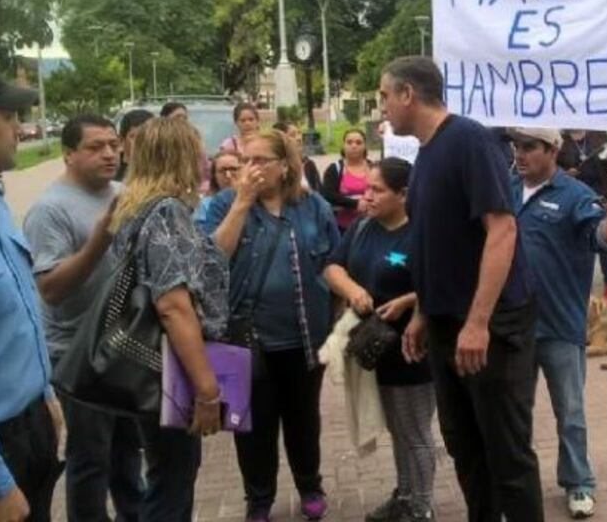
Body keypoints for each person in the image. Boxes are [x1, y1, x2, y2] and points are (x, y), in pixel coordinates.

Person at [378, 56, 543, 521]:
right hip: (447, 325)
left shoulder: (470, 140)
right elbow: (441, 247)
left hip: (490, 327)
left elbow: (503, 230)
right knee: (466, 449)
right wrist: (425, 313)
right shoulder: (428, 153)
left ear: (408, 93)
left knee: (507, 454)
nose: (382, 107)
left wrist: (478, 322)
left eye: (385, 95)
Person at [201, 130, 340, 522]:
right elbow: (212, 262)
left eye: (261, 160)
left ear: (285, 165)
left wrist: (337, 324)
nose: (251, 168)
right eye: (246, 160)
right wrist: (242, 203)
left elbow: (332, 262)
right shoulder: (224, 204)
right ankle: (258, 499)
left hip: (304, 337)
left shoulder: (312, 206)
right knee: (253, 428)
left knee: (303, 419)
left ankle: (310, 486)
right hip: (247, 340)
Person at [22, 114, 144, 522]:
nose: (109, 153)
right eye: (95, 146)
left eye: (113, 144)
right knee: (91, 460)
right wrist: (100, 238)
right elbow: (52, 288)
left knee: (128, 452)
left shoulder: (124, 192)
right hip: (78, 356)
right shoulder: (49, 210)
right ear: (68, 153)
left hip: (123, 348)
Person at [511, 127, 607, 519]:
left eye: (529, 146)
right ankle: (516, 487)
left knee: (570, 412)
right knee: (514, 413)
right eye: (516, 146)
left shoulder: (576, 195)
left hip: (560, 325)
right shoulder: (504, 188)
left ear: (552, 150)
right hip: (511, 325)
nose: (520, 154)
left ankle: (579, 482)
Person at [108, 117, 228, 521]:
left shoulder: (134, 207)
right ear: (178, 157)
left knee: (165, 471)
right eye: (198, 152)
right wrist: (207, 389)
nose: (206, 160)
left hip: (142, 363)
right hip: (168, 368)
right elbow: (173, 305)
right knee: (173, 478)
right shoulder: (166, 213)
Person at [324, 158, 436, 522]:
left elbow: (446, 281)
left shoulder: (422, 232)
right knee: (397, 429)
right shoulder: (362, 228)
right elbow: (332, 267)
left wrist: (409, 300)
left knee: (414, 432)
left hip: (411, 351)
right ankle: (404, 495)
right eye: (366, 188)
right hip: (374, 350)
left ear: (403, 194)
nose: (366, 196)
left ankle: (420, 506)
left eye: (377, 190)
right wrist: (354, 291)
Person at [0, 64, 63, 522]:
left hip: (28, 425)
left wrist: (44, 393)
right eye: (8, 115)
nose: (20, 128)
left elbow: (17, 319)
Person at [557, 130, 607, 305]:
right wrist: (564, 173)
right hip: (573, 198)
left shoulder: (598, 136)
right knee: (577, 245)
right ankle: (578, 288)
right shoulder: (562, 141)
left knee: (604, 243)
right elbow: (552, 168)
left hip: (601, 195)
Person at [321, 128, 371, 233]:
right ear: (343, 146)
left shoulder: (374, 167)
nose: (354, 146)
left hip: (371, 226)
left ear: (365, 146)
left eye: (358, 142)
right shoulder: (335, 169)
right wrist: (355, 203)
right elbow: (328, 195)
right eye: (349, 142)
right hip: (342, 228)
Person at [193, 150, 240, 224]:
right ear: (214, 176)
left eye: (233, 169)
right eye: (222, 171)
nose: (228, 175)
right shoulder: (205, 205)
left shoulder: (254, 201)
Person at [273, 121, 322, 191]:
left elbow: (319, 192)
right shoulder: (278, 168)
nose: (299, 138)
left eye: (299, 133)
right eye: (292, 135)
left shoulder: (309, 164)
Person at [116, 108, 154, 181]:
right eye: (135, 137)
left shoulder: (164, 176)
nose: (142, 142)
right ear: (121, 141)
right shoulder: (109, 174)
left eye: (148, 137)